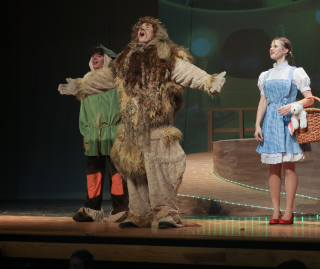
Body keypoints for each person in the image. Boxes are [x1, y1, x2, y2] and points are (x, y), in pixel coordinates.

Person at [59, 17, 226, 228]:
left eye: (148, 27)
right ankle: (139, 214)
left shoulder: (166, 56)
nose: (142, 29)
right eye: (140, 27)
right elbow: (106, 78)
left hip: (156, 126)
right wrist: (80, 85)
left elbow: (186, 72)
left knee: (161, 171)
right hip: (132, 128)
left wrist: (209, 81)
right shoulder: (126, 58)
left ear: (156, 33)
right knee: (134, 173)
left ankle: (166, 213)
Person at [60, 44, 129, 223]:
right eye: (93, 56)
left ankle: (120, 207)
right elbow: (83, 110)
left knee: (117, 172)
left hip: (113, 131)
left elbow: (123, 107)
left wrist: (123, 131)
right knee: (93, 172)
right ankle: (92, 208)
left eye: (99, 55)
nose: (95, 58)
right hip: (94, 134)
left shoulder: (115, 79)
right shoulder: (86, 80)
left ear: (107, 58)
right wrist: (85, 133)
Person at [254, 37, 313, 225]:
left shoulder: (295, 72)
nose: (271, 49)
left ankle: (289, 210)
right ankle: (275, 210)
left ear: (286, 50)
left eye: (275, 46)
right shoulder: (265, 75)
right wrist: (257, 124)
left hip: (288, 121)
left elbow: (310, 99)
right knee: (273, 168)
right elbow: (263, 100)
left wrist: (292, 105)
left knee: (288, 166)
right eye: (270, 46)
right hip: (271, 121)